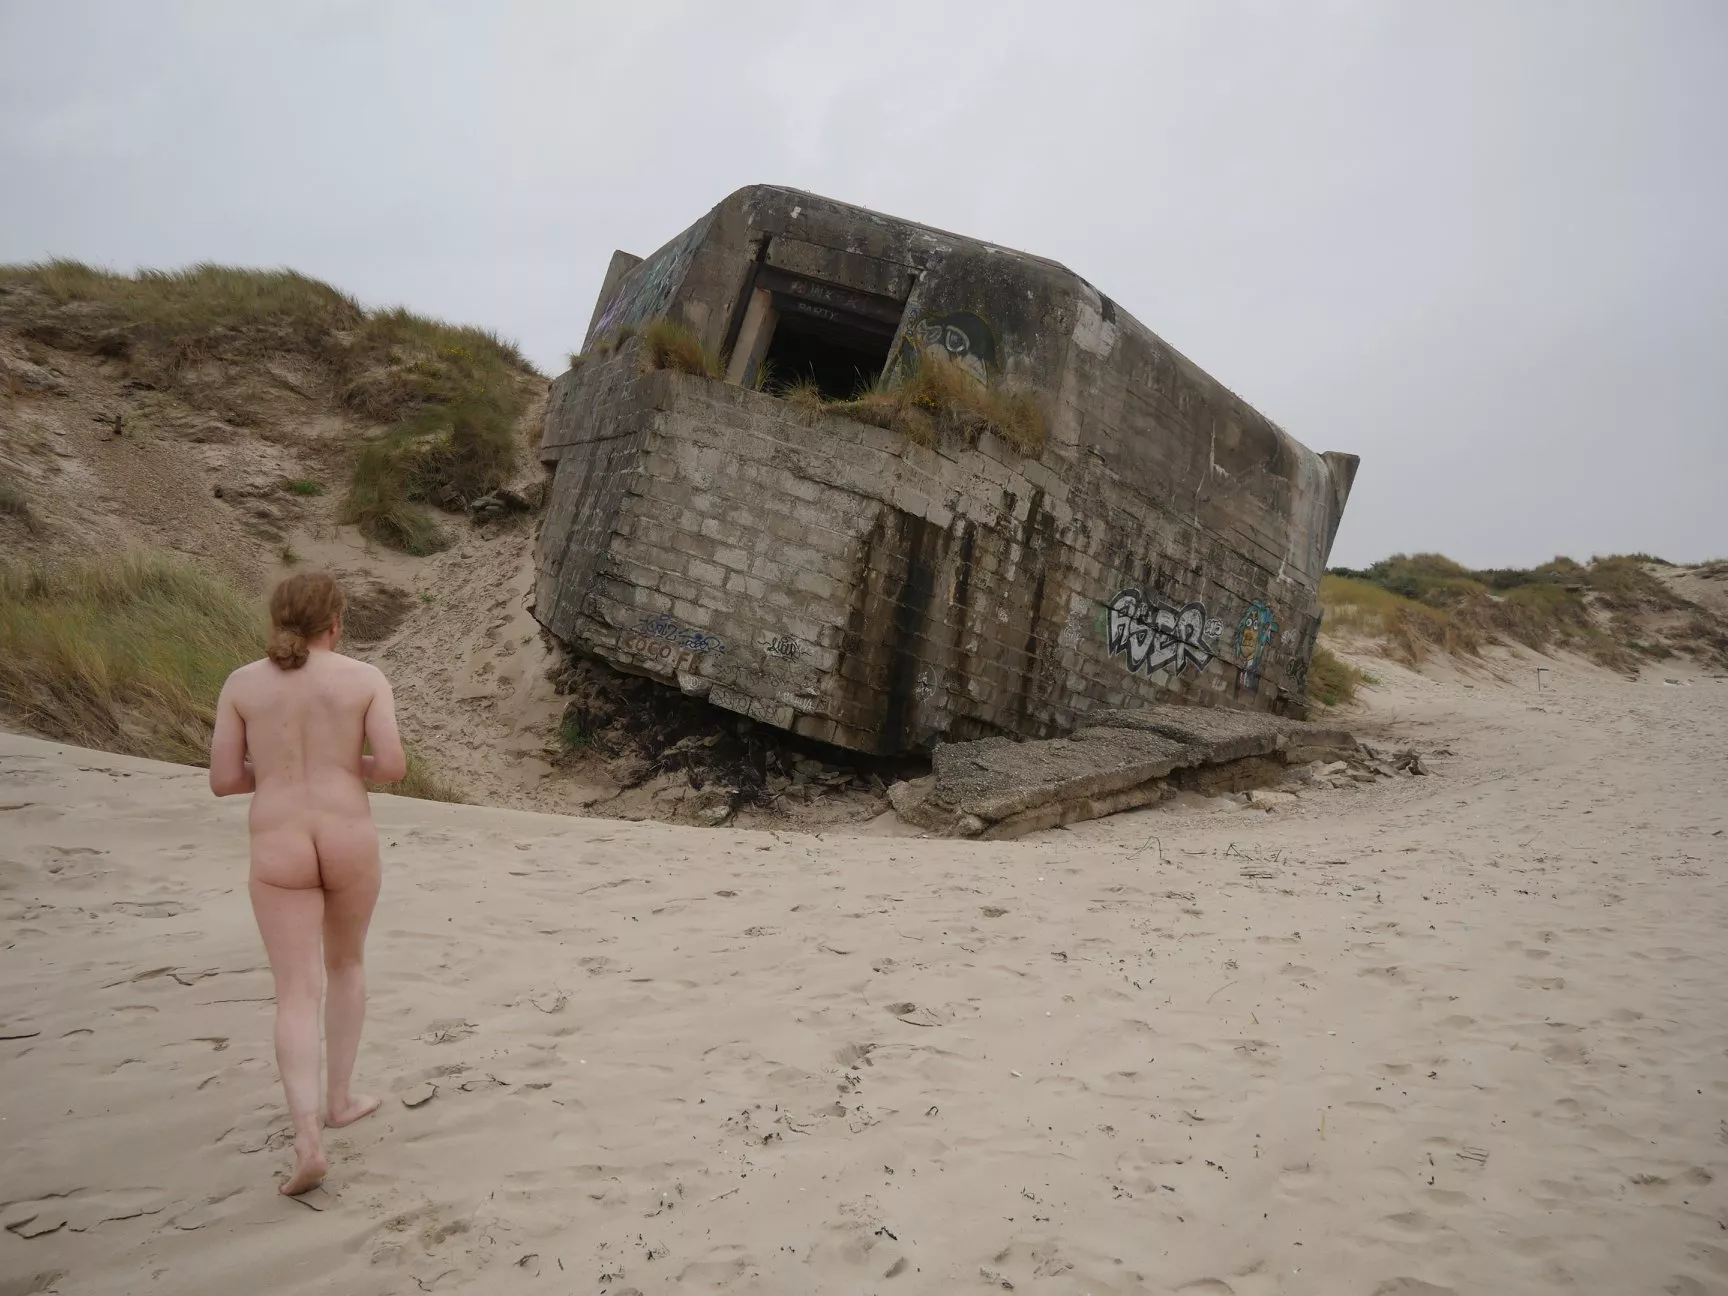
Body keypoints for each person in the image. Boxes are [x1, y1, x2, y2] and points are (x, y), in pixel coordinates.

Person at [208, 571, 407, 1195]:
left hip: (279, 841)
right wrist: (345, 764)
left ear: (279, 621)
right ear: (335, 623)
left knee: (295, 992)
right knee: (346, 965)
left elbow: (223, 780)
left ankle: (307, 1140)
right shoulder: (365, 679)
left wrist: (274, 773)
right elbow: (393, 768)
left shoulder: (241, 684)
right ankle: (341, 1100)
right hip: (347, 836)